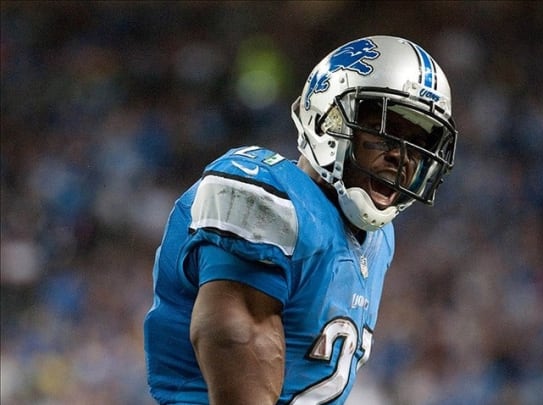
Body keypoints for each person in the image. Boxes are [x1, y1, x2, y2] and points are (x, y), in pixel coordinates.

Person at [143, 35, 458, 404]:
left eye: (417, 146)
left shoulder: (379, 239)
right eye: (384, 133)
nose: (401, 158)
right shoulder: (269, 194)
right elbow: (238, 339)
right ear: (328, 122)